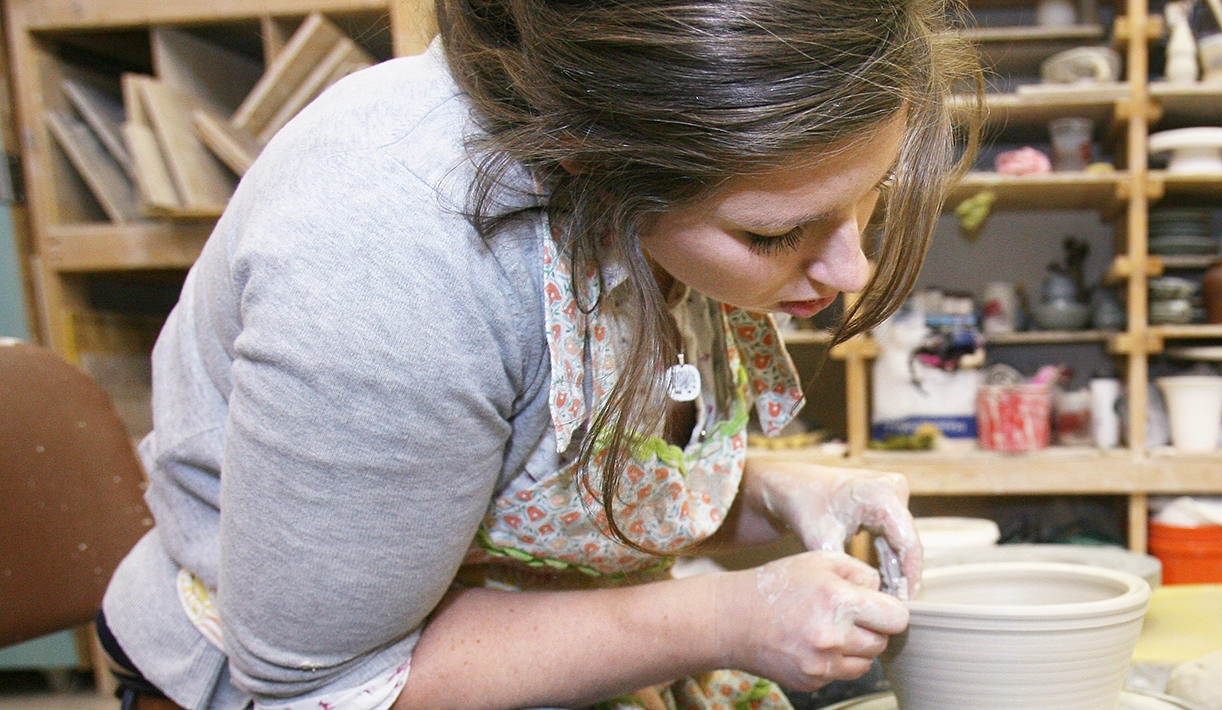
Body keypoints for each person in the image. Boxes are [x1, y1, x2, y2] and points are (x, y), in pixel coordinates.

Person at [98, 0, 981, 708]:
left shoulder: (653, 169)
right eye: (778, 230)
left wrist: (774, 496)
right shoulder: (394, 257)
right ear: (588, 158)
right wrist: (725, 615)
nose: (851, 269)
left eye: (869, 194)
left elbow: (520, 486)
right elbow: (325, 683)